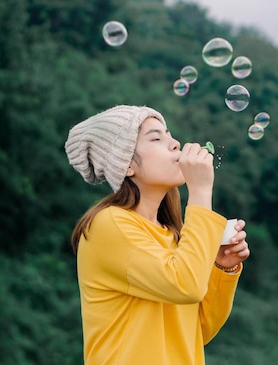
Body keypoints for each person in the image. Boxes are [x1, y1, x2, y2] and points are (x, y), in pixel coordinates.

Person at [65, 105, 250, 364]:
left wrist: (221, 266)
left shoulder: (173, 236)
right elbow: (185, 285)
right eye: (156, 138)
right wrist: (200, 191)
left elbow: (199, 329)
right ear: (127, 164)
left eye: (169, 134)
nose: (175, 143)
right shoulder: (109, 224)